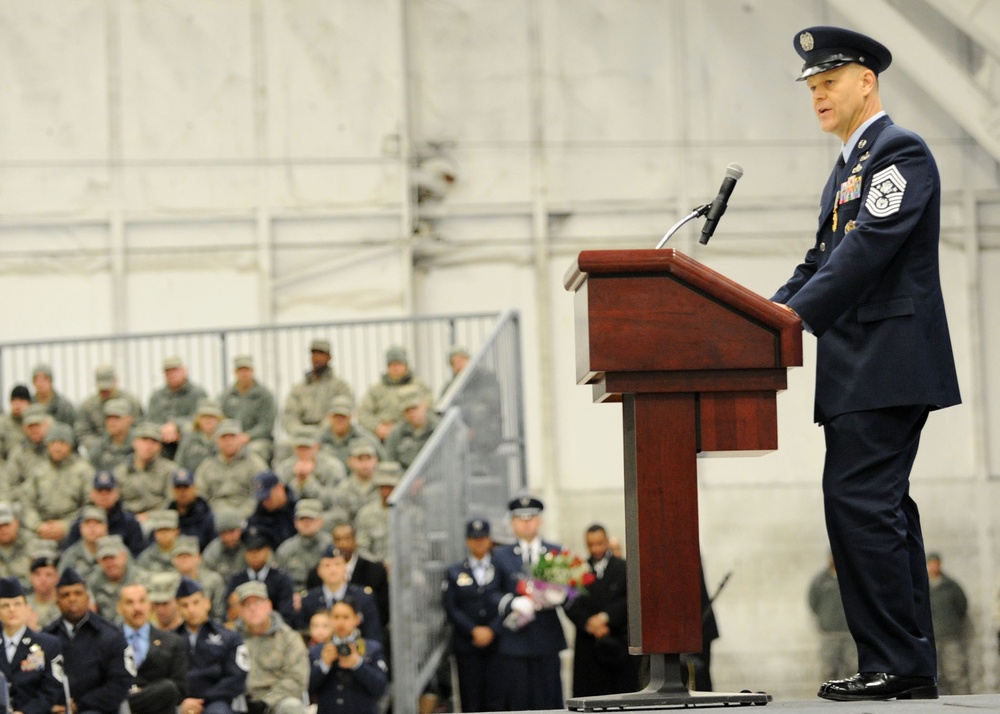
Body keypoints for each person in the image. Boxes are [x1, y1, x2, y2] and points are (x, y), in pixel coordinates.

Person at [771, 26, 962, 702]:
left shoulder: (898, 152)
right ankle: (901, 663)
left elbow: (867, 249)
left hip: (887, 361)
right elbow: (821, 261)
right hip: (861, 365)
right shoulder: (850, 164)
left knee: (860, 504)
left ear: (866, 81)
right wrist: (761, 313)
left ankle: (895, 664)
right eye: (812, 87)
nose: (818, 95)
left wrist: (795, 318)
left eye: (829, 82)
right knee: (877, 508)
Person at [493, 495, 566, 710]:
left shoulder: (555, 551)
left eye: (532, 518)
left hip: (546, 637)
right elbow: (491, 592)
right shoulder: (501, 555)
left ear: (539, 521)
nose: (527, 522)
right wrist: (512, 603)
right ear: (513, 523)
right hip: (516, 638)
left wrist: (558, 595)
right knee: (518, 699)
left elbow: (569, 587)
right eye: (520, 518)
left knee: (550, 698)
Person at [43, 567, 134, 714]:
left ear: (87, 598)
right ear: (57, 601)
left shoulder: (110, 635)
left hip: (98, 709)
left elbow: (120, 683)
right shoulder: (47, 637)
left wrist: (79, 705)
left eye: (78, 593)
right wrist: (53, 705)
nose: (72, 599)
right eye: (65, 595)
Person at [564, 524, 638, 698]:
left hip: (617, 641)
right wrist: (589, 623)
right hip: (588, 646)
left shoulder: (623, 567)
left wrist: (606, 618)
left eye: (599, 543)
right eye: (591, 544)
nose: (596, 549)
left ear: (606, 541)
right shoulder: (578, 569)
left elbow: (630, 599)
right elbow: (570, 602)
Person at [443, 518, 504, 712]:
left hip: (497, 644)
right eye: (474, 538)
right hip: (467, 644)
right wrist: (473, 630)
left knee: (497, 697)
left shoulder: (500, 568)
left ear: (489, 540)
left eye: (483, 538)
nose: (478, 542)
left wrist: (492, 630)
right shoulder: (454, 572)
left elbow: (508, 602)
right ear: (467, 541)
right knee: (470, 698)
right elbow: (451, 607)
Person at [174, 577, 249, 714]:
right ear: (178, 608)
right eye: (185, 605)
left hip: (217, 702)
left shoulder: (229, 638)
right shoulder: (171, 639)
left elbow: (237, 678)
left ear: (207, 603)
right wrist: (182, 702)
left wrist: (203, 699)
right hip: (180, 703)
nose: (191, 609)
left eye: (196, 603)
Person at [233, 581, 309, 714]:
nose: (252, 609)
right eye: (246, 604)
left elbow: (296, 678)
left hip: (276, 701)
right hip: (238, 700)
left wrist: (266, 702)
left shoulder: (288, 638)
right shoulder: (230, 638)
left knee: (292, 707)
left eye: (258, 603)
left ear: (269, 605)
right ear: (240, 611)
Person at [117, 582, 188, 714]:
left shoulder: (173, 642)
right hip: (117, 706)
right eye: (129, 603)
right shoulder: (108, 640)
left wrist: (144, 695)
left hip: (159, 709)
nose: (137, 608)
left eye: (142, 601)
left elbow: (179, 689)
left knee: (168, 688)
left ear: (150, 605)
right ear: (119, 608)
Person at [308, 598, 388, 714]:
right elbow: (308, 689)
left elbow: (380, 688)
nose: (340, 623)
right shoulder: (317, 651)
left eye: (346, 617)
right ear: (330, 619)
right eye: (336, 617)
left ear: (357, 619)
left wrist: (358, 664)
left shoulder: (372, 649)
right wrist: (323, 665)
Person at [19, 423, 92, 546]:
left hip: (74, 531)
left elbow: (90, 505)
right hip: (41, 529)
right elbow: (26, 502)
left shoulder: (84, 471)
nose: (57, 448)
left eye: (62, 443)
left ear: (70, 445)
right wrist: (38, 525)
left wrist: (66, 525)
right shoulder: (38, 470)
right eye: (53, 443)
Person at [0, 576, 63, 714]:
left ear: (27, 608)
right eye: (5, 605)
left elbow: (53, 689)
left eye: (17, 604)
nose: (12, 610)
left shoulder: (49, 645)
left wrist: (24, 712)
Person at [298, 546, 382, 643]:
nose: (332, 570)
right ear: (319, 571)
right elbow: (304, 634)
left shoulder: (363, 597)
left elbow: (373, 635)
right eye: (327, 565)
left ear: (346, 568)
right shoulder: (309, 599)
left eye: (337, 564)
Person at [195, 420, 269, 519]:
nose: (228, 442)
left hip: (247, 516)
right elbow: (200, 494)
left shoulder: (255, 463)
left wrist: (241, 516)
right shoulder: (207, 466)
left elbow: (260, 493)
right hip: (214, 517)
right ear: (216, 440)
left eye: (232, 437)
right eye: (223, 438)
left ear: (240, 438)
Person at [357, 346, 433, 441]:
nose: (395, 368)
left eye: (398, 364)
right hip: (380, 436)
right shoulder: (376, 389)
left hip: (410, 436)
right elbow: (363, 412)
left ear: (406, 365)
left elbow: (428, 407)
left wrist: (402, 426)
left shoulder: (419, 386)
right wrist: (377, 427)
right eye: (392, 365)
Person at [224, 526, 296, 626]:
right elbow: (227, 614)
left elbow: (287, 614)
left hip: (274, 630)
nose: (254, 554)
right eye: (250, 550)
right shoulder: (236, 579)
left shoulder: (281, 579)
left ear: (267, 551)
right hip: (242, 630)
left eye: (258, 550)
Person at [63, 470, 146, 557]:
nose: (104, 496)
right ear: (92, 494)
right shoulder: (80, 522)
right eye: (100, 491)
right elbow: (69, 555)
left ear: (117, 493)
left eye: (108, 491)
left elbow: (138, 556)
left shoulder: (130, 523)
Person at [281, 339, 354, 437]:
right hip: (301, 436)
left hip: (329, 438)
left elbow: (342, 414)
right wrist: (298, 431)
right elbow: (289, 414)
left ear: (329, 357)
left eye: (321, 354)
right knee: (283, 448)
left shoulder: (340, 387)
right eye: (314, 354)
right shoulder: (299, 388)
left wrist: (320, 432)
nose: (316, 358)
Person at [147, 357, 208, 462]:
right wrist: (164, 429)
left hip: (187, 438)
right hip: (163, 439)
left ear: (184, 371)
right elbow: (151, 421)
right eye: (168, 372)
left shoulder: (198, 394)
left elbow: (199, 419)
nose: (172, 375)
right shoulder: (157, 396)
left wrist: (176, 426)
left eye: (175, 370)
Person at [114, 422, 177, 523]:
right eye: (144, 440)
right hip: (127, 522)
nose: (148, 446)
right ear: (134, 443)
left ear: (160, 446)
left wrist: (150, 516)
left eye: (153, 441)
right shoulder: (121, 472)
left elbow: (172, 503)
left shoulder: (170, 470)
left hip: (160, 522)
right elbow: (114, 504)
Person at [74, 364, 144, 456]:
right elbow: (82, 433)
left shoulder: (131, 402)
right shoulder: (87, 406)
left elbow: (140, 427)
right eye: (102, 388)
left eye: (108, 387)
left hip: (130, 451)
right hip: (99, 452)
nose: (105, 391)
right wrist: (101, 446)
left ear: (116, 381)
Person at [219, 355, 277, 465]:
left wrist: (247, 436)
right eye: (241, 370)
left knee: (254, 451)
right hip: (230, 438)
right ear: (235, 372)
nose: (244, 374)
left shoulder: (264, 395)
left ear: (253, 371)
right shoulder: (226, 396)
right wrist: (231, 437)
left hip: (257, 440)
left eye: (247, 370)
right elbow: (221, 419)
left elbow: (266, 425)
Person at [926, 553, 969, 694]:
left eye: (936, 563)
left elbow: (962, 605)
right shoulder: (923, 585)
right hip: (931, 637)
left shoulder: (950, 585)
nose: (933, 567)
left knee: (955, 671)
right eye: (931, 563)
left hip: (950, 636)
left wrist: (953, 624)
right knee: (935, 674)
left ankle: (962, 699)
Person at [807, 554, 855, 682]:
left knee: (852, 669)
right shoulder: (821, 580)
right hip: (829, 635)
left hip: (850, 633)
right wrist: (825, 619)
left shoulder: (851, 577)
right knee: (829, 670)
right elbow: (813, 602)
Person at [274, 499, 331, 593]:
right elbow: (280, 583)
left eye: (310, 519)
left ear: (320, 521)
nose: (306, 523)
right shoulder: (285, 549)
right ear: (295, 522)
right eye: (302, 519)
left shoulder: (330, 545)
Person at [87, 535, 146, 623]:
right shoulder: (93, 582)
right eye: (105, 559)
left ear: (124, 556)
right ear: (99, 561)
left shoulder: (141, 579)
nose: (110, 563)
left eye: (113, 558)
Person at [354, 462, 401, 565]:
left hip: (405, 567)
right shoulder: (366, 513)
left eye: (390, 487)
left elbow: (419, 548)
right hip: (375, 568)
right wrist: (379, 566)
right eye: (383, 487)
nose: (386, 491)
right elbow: (362, 547)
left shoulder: (412, 514)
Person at [318, 396, 383, 469]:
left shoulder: (366, 439)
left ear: (351, 417)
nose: (339, 421)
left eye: (343, 417)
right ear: (329, 417)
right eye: (336, 416)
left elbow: (382, 461)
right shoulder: (319, 439)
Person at [172, 536, 227, 621]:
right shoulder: (169, 583)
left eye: (188, 556)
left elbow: (219, 613)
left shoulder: (213, 580)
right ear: (173, 560)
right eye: (180, 556)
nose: (184, 560)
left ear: (198, 558)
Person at [383, 387, 439, 469]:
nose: (412, 413)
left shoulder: (440, 429)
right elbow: (390, 465)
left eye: (414, 408)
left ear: (424, 404)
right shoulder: (396, 435)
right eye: (407, 410)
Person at [245, 472, 297, 551]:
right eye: (262, 498)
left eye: (268, 496)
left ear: (280, 488)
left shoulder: (298, 508)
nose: (265, 502)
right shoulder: (258, 518)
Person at [168, 468, 218, 551]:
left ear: (195, 489)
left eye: (186, 487)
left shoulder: (207, 517)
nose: (182, 492)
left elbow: (214, 548)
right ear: (172, 490)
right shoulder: (167, 516)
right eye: (178, 488)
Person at [174, 399, 223, 474]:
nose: (208, 420)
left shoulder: (226, 439)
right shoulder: (189, 440)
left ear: (219, 419)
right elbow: (179, 466)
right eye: (204, 416)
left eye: (212, 417)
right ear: (198, 420)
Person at [87, 398, 136, 473]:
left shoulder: (138, 444)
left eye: (117, 418)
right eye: (108, 418)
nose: (112, 422)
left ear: (129, 419)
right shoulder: (99, 446)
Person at [201, 509, 246, 584]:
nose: (228, 537)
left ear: (240, 529)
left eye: (232, 532)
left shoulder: (250, 546)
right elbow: (204, 571)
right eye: (224, 533)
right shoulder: (213, 550)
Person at [30, 364, 76, 429]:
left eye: (45, 379)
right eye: (37, 380)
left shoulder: (64, 406)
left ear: (51, 381)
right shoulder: (29, 404)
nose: (40, 383)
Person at [0, 502, 36, 586]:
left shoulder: (32, 545)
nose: (3, 529)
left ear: (16, 523)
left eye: (7, 524)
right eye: (0, 526)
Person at [26, 551, 61, 629]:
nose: (43, 579)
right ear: (30, 577)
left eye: (48, 575)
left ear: (57, 578)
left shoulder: (64, 605)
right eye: (38, 574)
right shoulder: (24, 605)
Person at [0, 384, 32, 463]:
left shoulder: (36, 423)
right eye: (14, 400)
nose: (17, 404)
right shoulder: (3, 424)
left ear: (29, 403)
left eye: (21, 400)